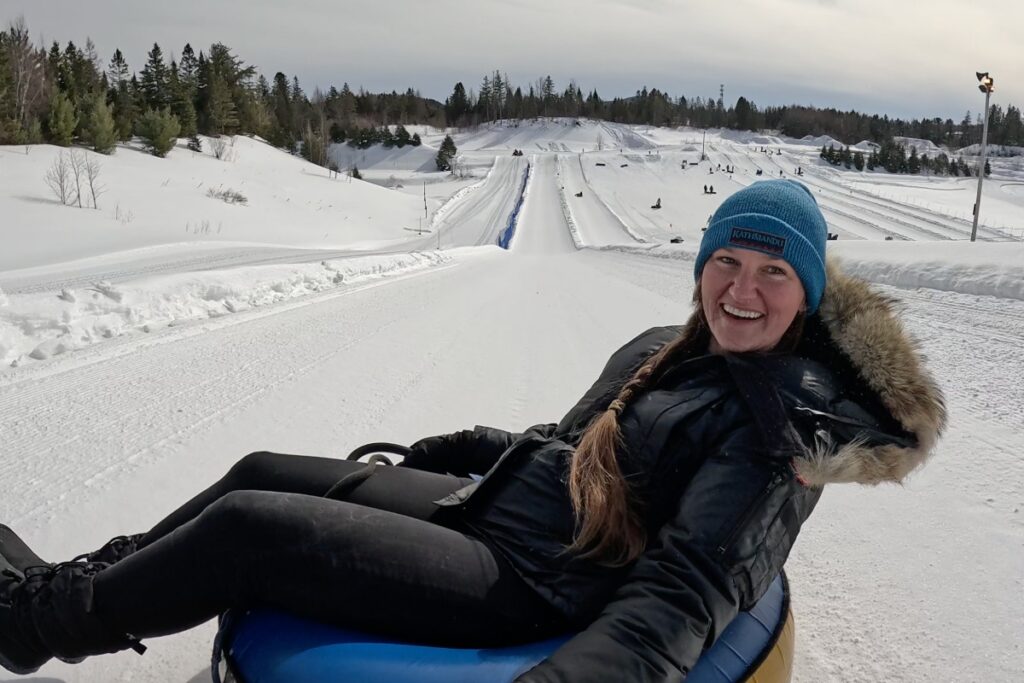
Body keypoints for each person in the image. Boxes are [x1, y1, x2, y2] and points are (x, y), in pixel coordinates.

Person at [0, 180, 945, 682]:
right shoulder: (676, 346)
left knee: (253, 527)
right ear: (702, 265)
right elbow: (578, 445)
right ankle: (76, 580)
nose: (743, 289)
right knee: (265, 466)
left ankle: (36, 626)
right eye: (728, 260)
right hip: (505, 510)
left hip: (538, 583)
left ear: (810, 292)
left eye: (774, 274)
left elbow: (689, 590)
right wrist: (461, 448)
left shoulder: (782, 430)